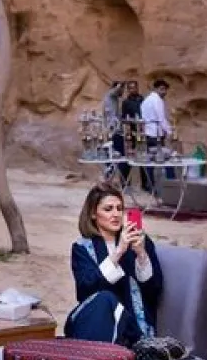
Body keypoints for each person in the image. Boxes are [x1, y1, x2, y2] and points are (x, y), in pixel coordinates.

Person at [65, 181, 164, 345]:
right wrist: (119, 252)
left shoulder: (140, 242)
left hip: (131, 327)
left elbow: (155, 289)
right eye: (108, 209)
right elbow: (85, 290)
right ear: (93, 214)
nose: (116, 214)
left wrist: (141, 254)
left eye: (119, 208)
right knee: (105, 299)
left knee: (107, 299)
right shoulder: (82, 247)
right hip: (96, 322)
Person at [140, 79, 172, 192]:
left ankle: (150, 185)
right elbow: (161, 118)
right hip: (155, 133)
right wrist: (169, 132)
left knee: (149, 160)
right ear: (156, 89)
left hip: (147, 132)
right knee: (164, 159)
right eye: (162, 89)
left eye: (165, 90)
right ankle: (170, 185)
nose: (164, 92)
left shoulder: (146, 100)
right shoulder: (157, 100)